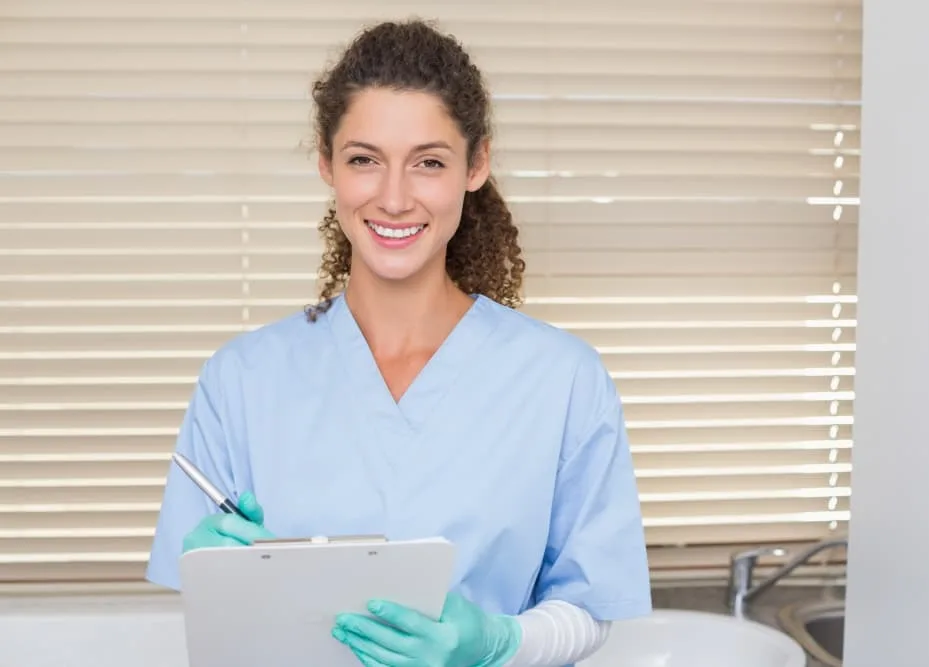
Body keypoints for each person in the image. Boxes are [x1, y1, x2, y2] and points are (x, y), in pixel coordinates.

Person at [146, 18, 651, 667]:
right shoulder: (240, 379)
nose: (393, 197)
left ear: (476, 165)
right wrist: (216, 573)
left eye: (429, 163)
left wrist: (499, 642)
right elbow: (214, 623)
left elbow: (590, 603)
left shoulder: (562, 378)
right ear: (327, 164)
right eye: (364, 160)